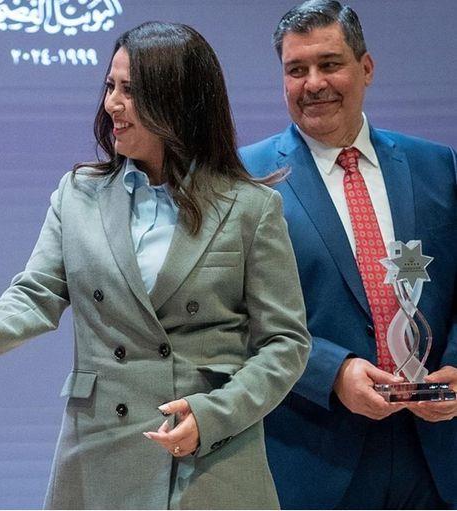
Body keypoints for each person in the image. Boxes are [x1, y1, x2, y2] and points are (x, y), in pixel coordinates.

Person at [0, 21, 310, 509]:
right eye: (110, 86)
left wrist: (214, 415)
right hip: (100, 451)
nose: (111, 104)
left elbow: (285, 343)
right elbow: (37, 292)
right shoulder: (77, 194)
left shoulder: (251, 207)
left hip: (209, 457)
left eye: (131, 91)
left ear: (179, 102)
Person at [240, 1, 457, 508]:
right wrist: (333, 372)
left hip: (435, 456)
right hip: (315, 454)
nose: (313, 83)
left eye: (330, 64)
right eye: (296, 70)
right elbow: (231, 312)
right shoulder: (245, 179)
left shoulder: (438, 166)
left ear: (367, 67)